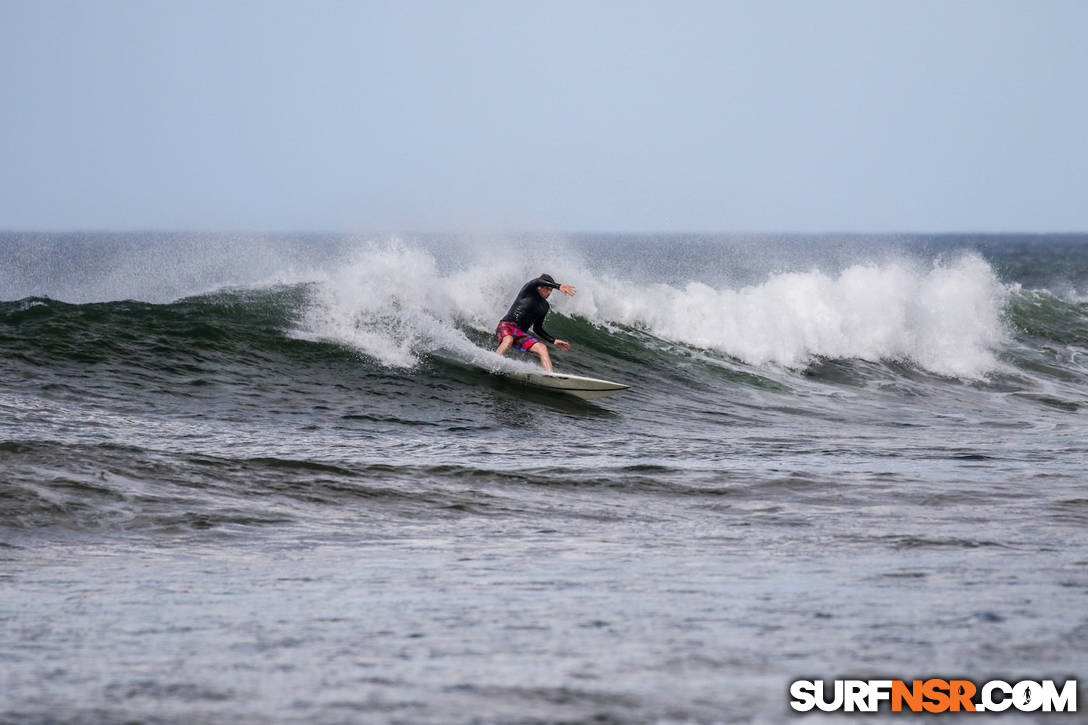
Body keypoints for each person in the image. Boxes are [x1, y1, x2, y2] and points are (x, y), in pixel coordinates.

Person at [495, 273, 576, 372]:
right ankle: (494, 362)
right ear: (539, 287)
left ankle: (550, 375)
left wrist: (553, 341)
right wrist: (558, 286)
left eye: (550, 290)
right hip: (507, 325)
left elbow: (537, 328)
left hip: (521, 333)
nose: (549, 292)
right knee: (508, 340)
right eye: (547, 289)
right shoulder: (528, 291)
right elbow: (536, 281)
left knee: (542, 348)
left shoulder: (544, 306)